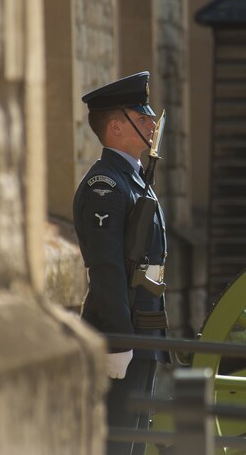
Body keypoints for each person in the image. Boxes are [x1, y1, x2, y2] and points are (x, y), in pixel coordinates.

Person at [73, 71, 168, 455]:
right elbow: (108, 267)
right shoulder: (106, 185)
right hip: (122, 339)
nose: (150, 124)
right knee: (117, 444)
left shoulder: (132, 179)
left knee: (134, 442)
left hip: (142, 336)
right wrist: (119, 339)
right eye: (140, 117)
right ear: (115, 126)